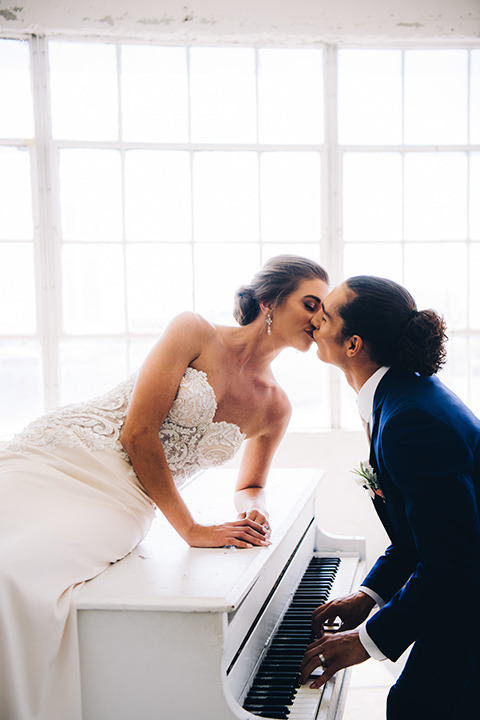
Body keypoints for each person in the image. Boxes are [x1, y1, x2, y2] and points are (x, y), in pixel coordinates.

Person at [0, 254, 330, 720]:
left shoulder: (276, 407)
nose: (319, 319)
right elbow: (138, 433)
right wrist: (192, 529)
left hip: (123, 500)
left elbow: (251, 483)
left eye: (326, 310)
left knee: (15, 572)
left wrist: (255, 509)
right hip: (61, 452)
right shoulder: (193, 330)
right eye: (310, 304)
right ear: (269, 301)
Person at [300, 276, 480, 720]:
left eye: (323, 317)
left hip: (469, 595)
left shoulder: (409, 421)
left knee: (416, 707)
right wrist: (369, 594)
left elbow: (452, 561)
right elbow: (425, 533)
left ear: (353, 344)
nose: (312, 324)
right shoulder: (403, 397)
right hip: (461, 583)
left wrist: (363, 641)